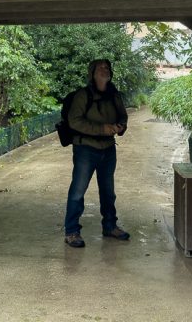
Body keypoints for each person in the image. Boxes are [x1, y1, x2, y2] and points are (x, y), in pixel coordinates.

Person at [63, 58, 130, 248]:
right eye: (100, 67)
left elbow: (123, 115)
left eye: (107, 67)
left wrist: (121, 126)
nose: (104, 70)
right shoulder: (83, 95)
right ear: (92, 73)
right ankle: (71, 231)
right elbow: (74, 121)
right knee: (78, 191)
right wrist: (102, 129)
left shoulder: (114, 94)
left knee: (108, 192)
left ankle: (110, 226)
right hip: (86, 149)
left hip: (108, 149)